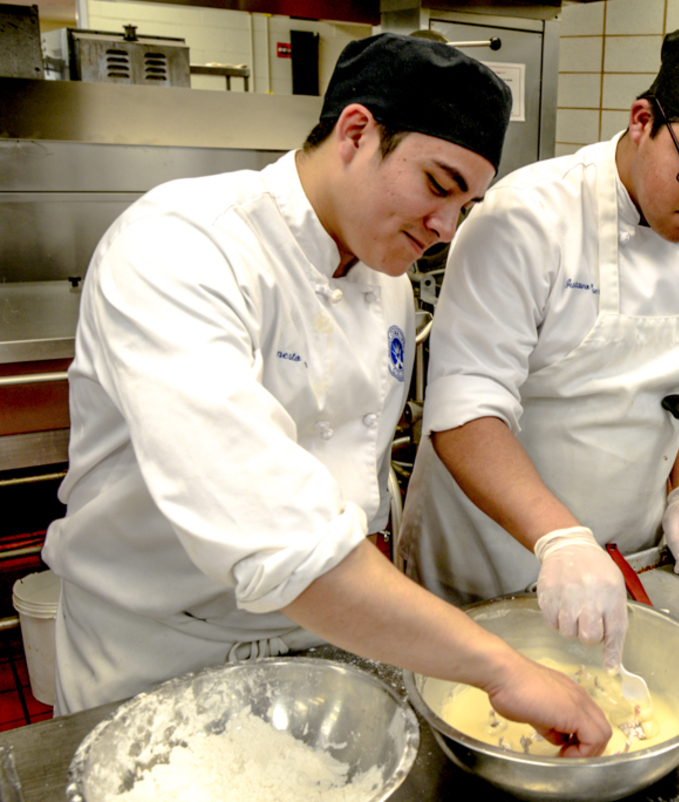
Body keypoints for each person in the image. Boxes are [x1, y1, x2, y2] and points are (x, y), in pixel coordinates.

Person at [41, 32, 612, 755]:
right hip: (155, 648)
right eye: (438, 185)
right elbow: (273, 531)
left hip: (321, 637)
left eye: (465, 204)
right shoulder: (182, 246)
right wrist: (497, 668)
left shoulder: (390, 284)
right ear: (355, 131)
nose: (445, 228)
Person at [400, 28, 679, 669]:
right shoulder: (526, 219)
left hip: (624, 557)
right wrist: (560, 539)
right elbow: (463, 412)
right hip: (492, 554)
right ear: (642, 120)